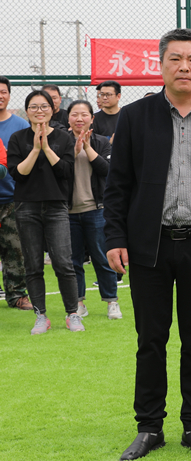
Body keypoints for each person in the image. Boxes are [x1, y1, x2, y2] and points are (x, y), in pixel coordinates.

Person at [103, 28, 191, 460]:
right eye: (176, 59)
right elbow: (118, 184)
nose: (184, 67)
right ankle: (149, 427)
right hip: (149, 245)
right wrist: (115, 237)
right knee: (150, 339)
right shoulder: (136, 116)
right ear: (161, 63)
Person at [7, 90, 82, 334]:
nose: (39, 111)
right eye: (34, 107)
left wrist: (47, 148)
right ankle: (41, 315)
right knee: (33, 264)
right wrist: (35, 149)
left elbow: (66, 171)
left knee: (63, 262)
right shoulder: (18, 138)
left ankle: (72, 314)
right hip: (26, 206)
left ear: (52, 109)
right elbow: (18, 173)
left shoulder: (63, 138)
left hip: (56, 206)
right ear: (27, 111)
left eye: (44, 106)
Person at [66, 100, 121, 319]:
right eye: (74, 114)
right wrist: (74, 150)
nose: (79, 119)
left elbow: (107, 170)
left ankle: (111, 301)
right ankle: (78, 303)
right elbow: (59, 170)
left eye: (84, 114)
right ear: (68, 118)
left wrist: (87, 148)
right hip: (68, 212)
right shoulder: (61, 141)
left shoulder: (101, 142)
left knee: (102, 257)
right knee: (74, 261)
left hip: (96, 209)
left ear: (92, 118)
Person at [0, 76, 33, 311]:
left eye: (3, 91)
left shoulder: (21, 126)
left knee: (15, 248)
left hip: (12, 197)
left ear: (9, 95)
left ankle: (17, 294)